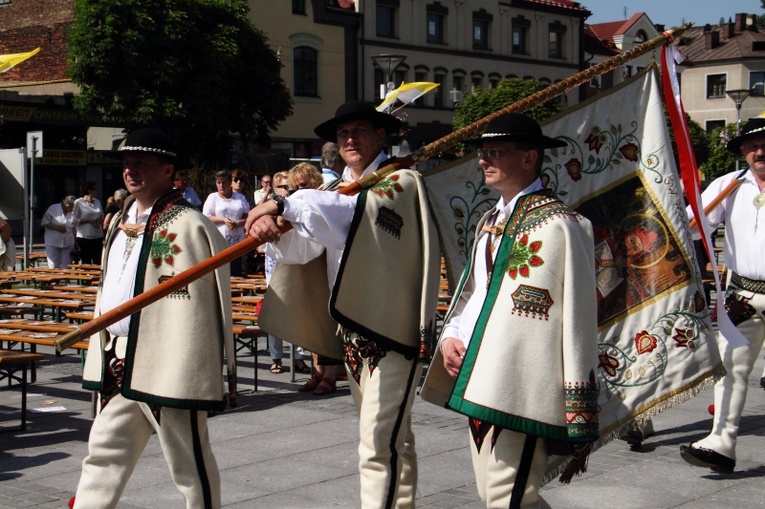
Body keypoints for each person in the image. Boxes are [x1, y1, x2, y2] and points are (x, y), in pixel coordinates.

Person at [246, 101, 440, 508]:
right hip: (352, 331)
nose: (350, 140)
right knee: (392, 439)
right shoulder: (332, 192)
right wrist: (276, 232)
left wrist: (284, 204)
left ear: (381, 136)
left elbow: (355, 216)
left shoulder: (400, 182)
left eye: (360, 131)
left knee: (376, 443)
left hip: (391, 331)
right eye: (343, 134)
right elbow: (304, 250)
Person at [420, 113, 600, 508]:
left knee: (506, 495)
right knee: (496, 492)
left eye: (495, 152)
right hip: (481, 375)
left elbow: (579, 318)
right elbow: (475, 291)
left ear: (528, 158)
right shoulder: (491, 220)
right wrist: (453, 335)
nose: (483, 161)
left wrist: (575, 396)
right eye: (482, 153)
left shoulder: (561, 226)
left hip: (524, 383)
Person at [72, 128, 234, 509]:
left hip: (165, 358)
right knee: (103, 450)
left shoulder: (189, 224)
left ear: (167, 170)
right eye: (127, 164)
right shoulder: (118, 221)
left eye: (141, 164)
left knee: (187, 460)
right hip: (118, 355)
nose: (131, 171)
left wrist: (191, 362)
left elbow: (200, 306)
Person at [679, 117, 765, 473]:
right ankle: (722, 442)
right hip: (742, 294)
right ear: (743, 152)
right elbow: (692, 225)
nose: (759, 151)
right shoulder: (729, 184)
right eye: (751, 145)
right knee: (730, 368)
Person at [203, 169, 251, 277]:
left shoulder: (240, 198)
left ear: (230, 183)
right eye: (218, 183)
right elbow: (206, 217)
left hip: (237, 240)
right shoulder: (213, 197)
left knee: (235, 270)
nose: (221, 186)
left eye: (224, 182)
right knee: (222, 271)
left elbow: (247, 216)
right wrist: (224, 220)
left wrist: (238, 223)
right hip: (219, 239)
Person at [72, 181, 105, 265]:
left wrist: (99, 220)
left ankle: (97, 277)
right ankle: (86, 277)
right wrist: (87, 220)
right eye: (95, 189)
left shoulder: (97, 202)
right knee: (86, 259)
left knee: (97, 259)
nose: (97, 191)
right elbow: (74, 220)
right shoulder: (79, 202)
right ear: (89, 191)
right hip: (84, 235)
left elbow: (101, 215)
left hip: (97, 234)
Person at [41, 195, 76, 269]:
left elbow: (76, 227)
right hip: (53, 241)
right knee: (53, 265)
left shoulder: (74, 211)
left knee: (67, 265)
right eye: (70, 207)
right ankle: (54, 280)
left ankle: (67, 280)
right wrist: (57, 228)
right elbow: (44, 222)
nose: (72, 209)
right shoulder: (53, 208)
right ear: (65, 205)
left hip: (68, 241)